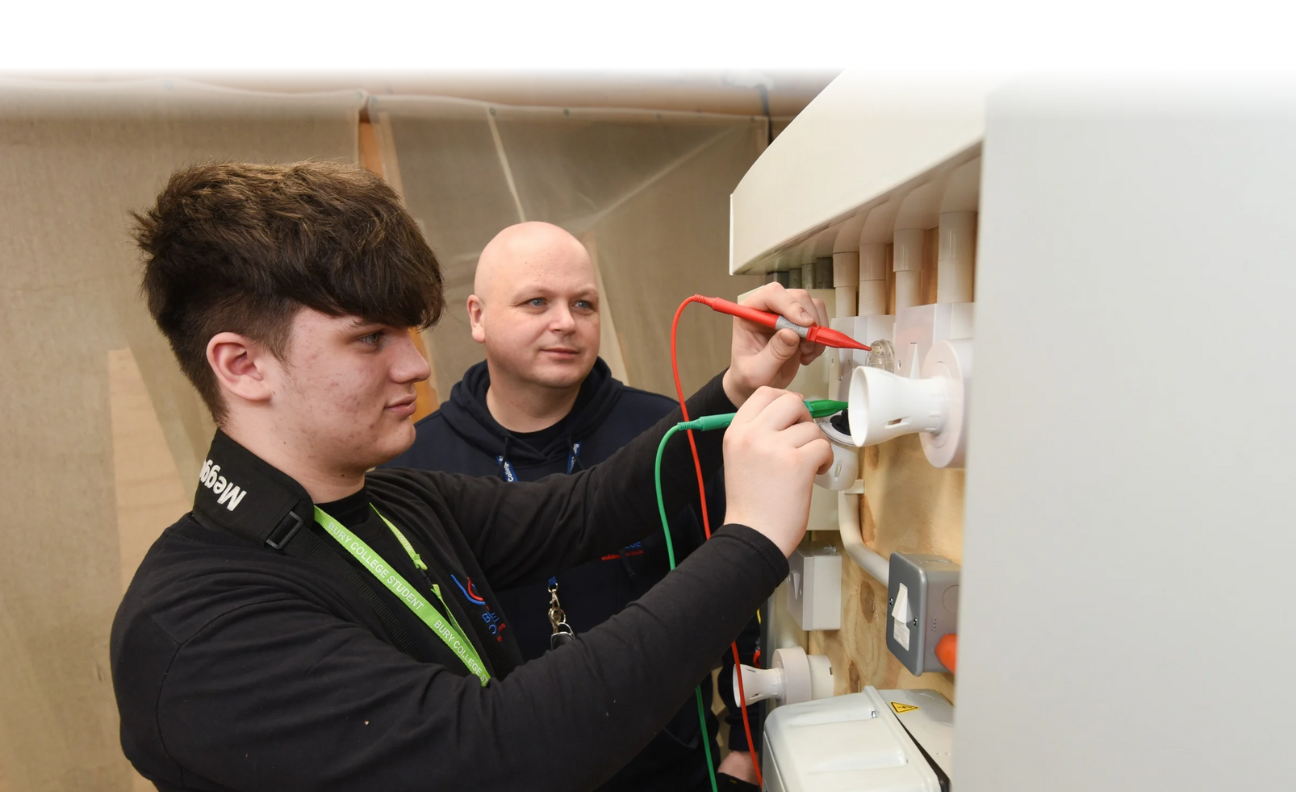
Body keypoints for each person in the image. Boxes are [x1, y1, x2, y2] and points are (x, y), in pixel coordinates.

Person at [110, 161, 832, 792]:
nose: (417, 366)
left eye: (408, 333)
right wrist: (753, 538)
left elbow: (584, 508)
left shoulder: (392, 499)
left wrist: (735, 390)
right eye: (370, 338)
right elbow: (498, 756)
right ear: (243, 365)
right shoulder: (198, 629)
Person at [384, 221, 762, 789]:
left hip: (672, 771)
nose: (566, 322)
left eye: (583, 304)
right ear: (478, 317)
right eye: (537, 302)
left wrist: (746, 744)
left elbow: (742, 593)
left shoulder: (669, 433)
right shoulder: (414, 466)